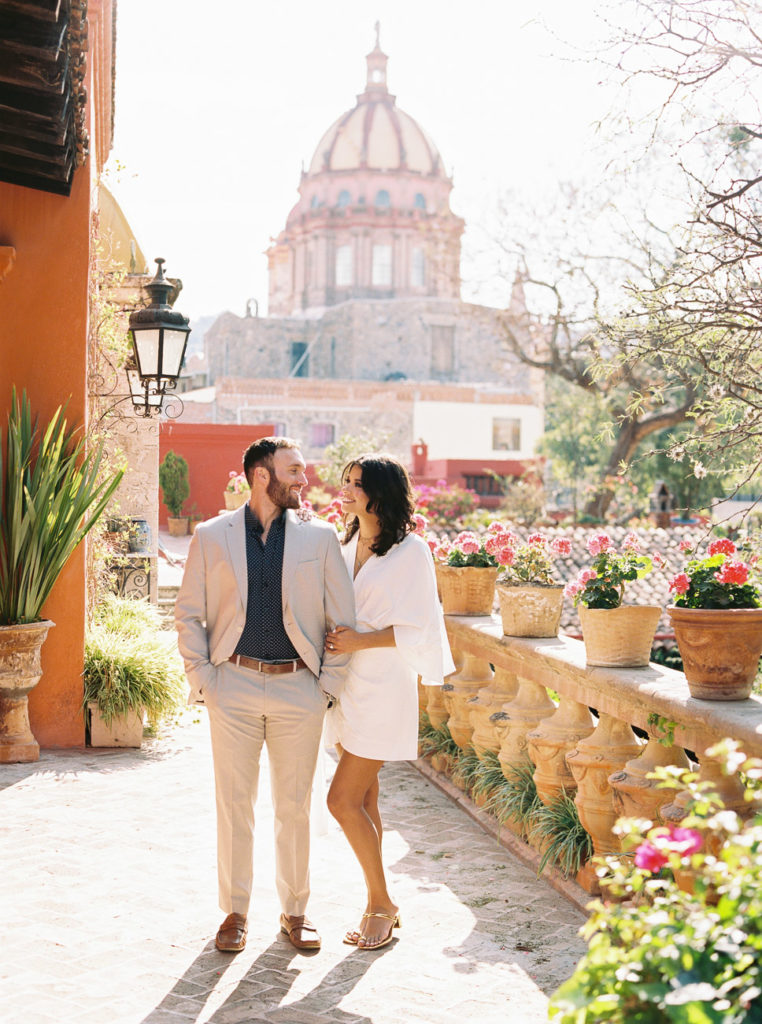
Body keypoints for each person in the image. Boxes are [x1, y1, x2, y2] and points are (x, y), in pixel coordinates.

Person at [175, 437, 355, 954]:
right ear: (261, 475)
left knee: (294, 807)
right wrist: (204, 681)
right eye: (294, 470)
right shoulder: (212, 536)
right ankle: (234, 912)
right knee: (234, 805)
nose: (304, 478)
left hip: (300, 686)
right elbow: (189, 613)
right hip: (231, 684)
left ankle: (296, 911)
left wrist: (327, 686)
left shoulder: (319, 538)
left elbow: (342, 618)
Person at [324, 453, 454, 950]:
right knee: (366, 798)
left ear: (381, 492)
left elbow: (420, 624)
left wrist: (359, 641)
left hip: (384, 687)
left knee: (340, 801)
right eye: (348, 482)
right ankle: (377, 899)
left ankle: (382, 903)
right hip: (344, 686)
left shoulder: (411, 551)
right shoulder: (346, 542)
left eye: (358, 484)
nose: (348, 490)